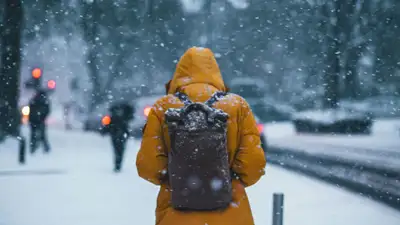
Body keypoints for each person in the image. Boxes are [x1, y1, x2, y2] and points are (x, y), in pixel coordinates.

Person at [136, 47, 266, 225]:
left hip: (175, 213)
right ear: (215, 72)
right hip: (230, 213)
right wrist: (222, 180)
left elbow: (148, 167)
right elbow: (253, 167)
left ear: (179, 73)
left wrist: (179, 178)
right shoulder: (237, 105)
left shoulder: (163, 107)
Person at [102, 101, 134, 172]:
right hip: (121, 134)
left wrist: (105, 131)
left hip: (115, 134)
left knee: (117, 149)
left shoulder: (113, 116)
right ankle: (118, 164)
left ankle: (117, 164)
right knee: (120, 150)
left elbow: (108, 125)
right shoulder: (125, 116)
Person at [29, 89, 51, 154]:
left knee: (33, 135)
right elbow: (47, 111)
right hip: (40, 120)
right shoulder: (44, 101)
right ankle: (46, 148)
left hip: (33, 120)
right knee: (42, 135)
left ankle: (33, 148)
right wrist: (43, 117)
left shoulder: (34, 100)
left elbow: (30, 109)